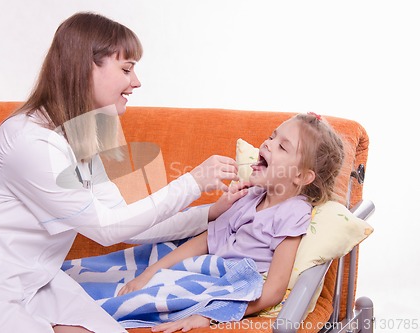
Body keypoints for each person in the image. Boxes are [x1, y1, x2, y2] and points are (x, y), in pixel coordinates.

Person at [0, 12, 242, 333]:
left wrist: (208, 214)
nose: (136, 82)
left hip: (33, 280)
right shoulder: (30, 140)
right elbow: (105, 228)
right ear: (87, 68)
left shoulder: (79, 136)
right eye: (127, 69)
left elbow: (124, 220)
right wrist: (193, 181)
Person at [117, 112, 345, 333]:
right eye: (272, 136)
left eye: (282, 146)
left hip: (229, 282)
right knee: (142, 262)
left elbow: (274, 289)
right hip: (204, 268)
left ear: (301, 177)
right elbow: (205, 240)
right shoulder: (250, 195)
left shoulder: (293, 213)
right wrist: (149, 274)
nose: (267, 144)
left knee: (135, 301)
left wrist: (209, 314)